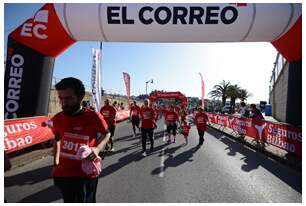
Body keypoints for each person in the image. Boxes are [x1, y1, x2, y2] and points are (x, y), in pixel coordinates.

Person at [51, 77, 110, 203]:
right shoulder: (57, 119)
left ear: (80, 97)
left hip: (86, 174)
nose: (64, 103)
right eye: (61, 98)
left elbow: (107, 134)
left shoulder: (93, 117)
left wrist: (97, 149)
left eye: (68, 98)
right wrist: (55, 163)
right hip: (63, 174)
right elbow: (57, 139)